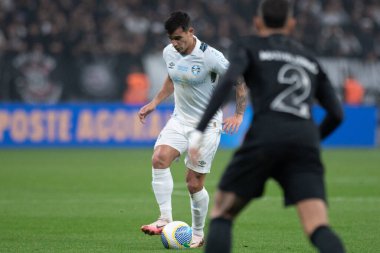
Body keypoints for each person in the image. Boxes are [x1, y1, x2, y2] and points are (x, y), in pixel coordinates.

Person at [188, 0, 346, 252]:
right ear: (292, 24)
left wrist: (199, 131)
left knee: (222, 212)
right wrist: (313, 139)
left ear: (258, 22)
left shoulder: (248, 46)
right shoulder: (309, 59)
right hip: (303, 141)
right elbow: (337, 114)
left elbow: (229, 81)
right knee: (317, 226)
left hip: (266, 136)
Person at [137, 11, 247, 248]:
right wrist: (154, 103)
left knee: (193, 183)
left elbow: (239, 81)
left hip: (207, 125)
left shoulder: (211, 57)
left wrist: (238, 114)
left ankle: (198, 233)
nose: (175, 44)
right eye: (171, 39)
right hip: (179, 119)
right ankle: (164, 218)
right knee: (159, 158)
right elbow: (172, 78)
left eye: (178, 38)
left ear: (190, 32)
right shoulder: (169, 53)